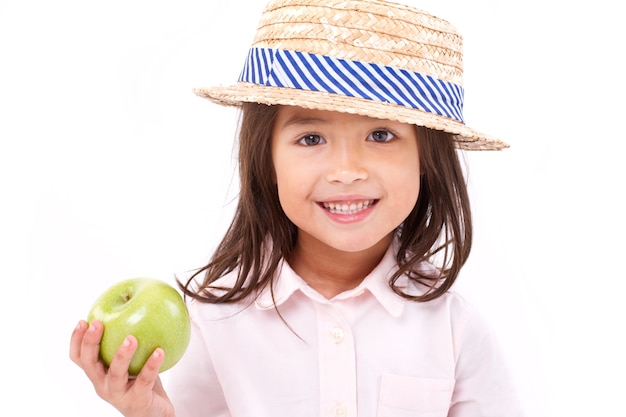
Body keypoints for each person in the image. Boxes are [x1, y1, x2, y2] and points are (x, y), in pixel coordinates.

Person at [70, 0, 523, 416]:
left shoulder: (455, 328)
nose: (346, 171)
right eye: (311, 138)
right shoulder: (212, 322)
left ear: (427, 160)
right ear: (266, 161)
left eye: (381, 135)